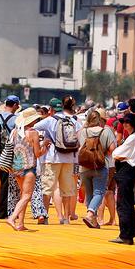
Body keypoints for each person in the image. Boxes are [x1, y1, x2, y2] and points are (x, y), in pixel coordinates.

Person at [36, 96, 81, 224]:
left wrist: (44, 140)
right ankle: (66, 218)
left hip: (52, 157)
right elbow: (79, 136)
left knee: (47, 188)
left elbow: (35, 127)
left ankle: (44, 216)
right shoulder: (74, 120)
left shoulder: (50, 120)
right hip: (70, 157)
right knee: (67, 190)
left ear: (51, 109)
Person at [6, 108, 45, 231]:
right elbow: (37, 153)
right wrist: (46, 146)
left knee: (23, 195)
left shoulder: (14, 132)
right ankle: (12, 218)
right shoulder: (33, 133)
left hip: (16, 167)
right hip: (29, 167)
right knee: (27, 195)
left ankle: (21, 223)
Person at [78, 108, 116, 229]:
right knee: (99, 192)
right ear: (100, 120)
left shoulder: (83, 132)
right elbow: (112, 150)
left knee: (89, 193)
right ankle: (90, 214)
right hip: (100, 166)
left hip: (84, 167)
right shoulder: (106, 131)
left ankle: (94, 221)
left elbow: (80, 146)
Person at [110, 112, 135, 244]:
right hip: (126, 171)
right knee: (125, 203)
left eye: (127, 122)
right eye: (124, 122)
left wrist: (119, 154)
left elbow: (116, 153)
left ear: (132, 123)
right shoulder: (131, 137)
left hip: (126, 171)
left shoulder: (133, 138)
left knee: (123, 204)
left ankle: (125, 235)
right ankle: (127, 234)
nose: (124, 125)